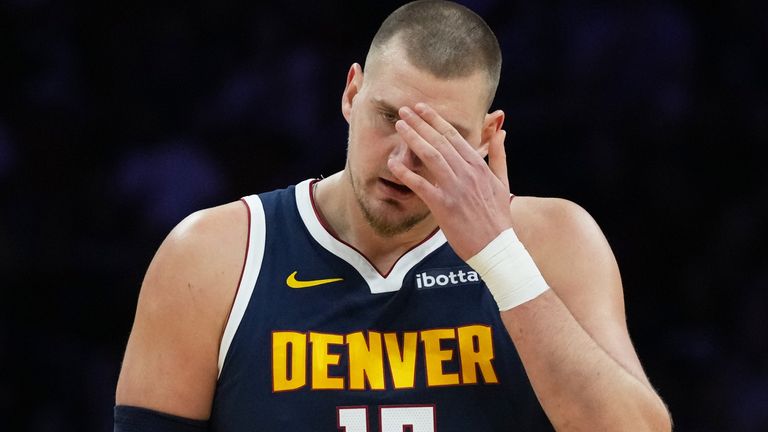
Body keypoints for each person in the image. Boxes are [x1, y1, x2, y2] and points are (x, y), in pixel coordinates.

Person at [114, 1, 672, 430]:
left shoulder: (553, 242)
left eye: (440, 137)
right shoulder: (213, 255)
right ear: (351, 93)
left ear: (487, 137)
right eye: (388, 117)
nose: (404, 161)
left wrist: (499, 256)